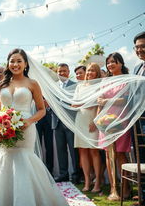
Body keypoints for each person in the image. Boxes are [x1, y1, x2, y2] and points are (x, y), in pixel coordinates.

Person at [0, 48, 68, 206]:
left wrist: (29, 121)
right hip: (3, 129)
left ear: (25, 64)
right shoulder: (1, 84)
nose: (15, 64)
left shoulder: (32, 84)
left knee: (24, 160)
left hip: (25, 128)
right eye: (12, 61)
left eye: (19, 61)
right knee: (3, 159)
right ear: (8, 63)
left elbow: (42, 109)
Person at [97, 52, 131, 200]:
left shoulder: (127, 80)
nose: (110, 65)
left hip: (121, 120)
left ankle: (126, 188)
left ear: (121, 63)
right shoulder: (105, 81)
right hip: (105, 121)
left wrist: (106, 102)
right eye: (108, 62)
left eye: (113, 62)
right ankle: (113, 189)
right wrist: (98, 119)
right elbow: (100, 100)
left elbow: (124, 100)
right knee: (107, 154)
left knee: (120, 153)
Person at [73, 63, 101, 192]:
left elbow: (98, 105)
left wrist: (95, 121)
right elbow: (75, 103)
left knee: (94, 151)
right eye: (89, 70)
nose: (90, 73)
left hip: (92, 119)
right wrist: (83, 103)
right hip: (80, 119)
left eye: (93, 71)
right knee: (82, 151)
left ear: (97, 73)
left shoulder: (99, 85)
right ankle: (87, 182)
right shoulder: (79, 86)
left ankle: (97, 183)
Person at [52, 63, 80, 184]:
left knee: (74, 151)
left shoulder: (75, 85)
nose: (62, 73)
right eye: (59, 72)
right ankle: (63, 174)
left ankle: (76, 175)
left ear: (68, 72)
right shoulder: (53, 86)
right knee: (60, 150)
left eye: (64, 71)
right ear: (57, 73)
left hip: (70, 122)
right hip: (56, 122)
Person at [132, 31, 145, 205]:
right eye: (137, 47)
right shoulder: (137, 68)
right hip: (138, 119)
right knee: (140, 156)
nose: (139, 50)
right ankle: (142, 194)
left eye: (143, 46)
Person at [36, 98, 54, 175]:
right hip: (36, 116)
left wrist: (48, 102)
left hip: (48, 116)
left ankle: (50, 172)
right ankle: (38, 171)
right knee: (37, 145)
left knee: (49, 146)